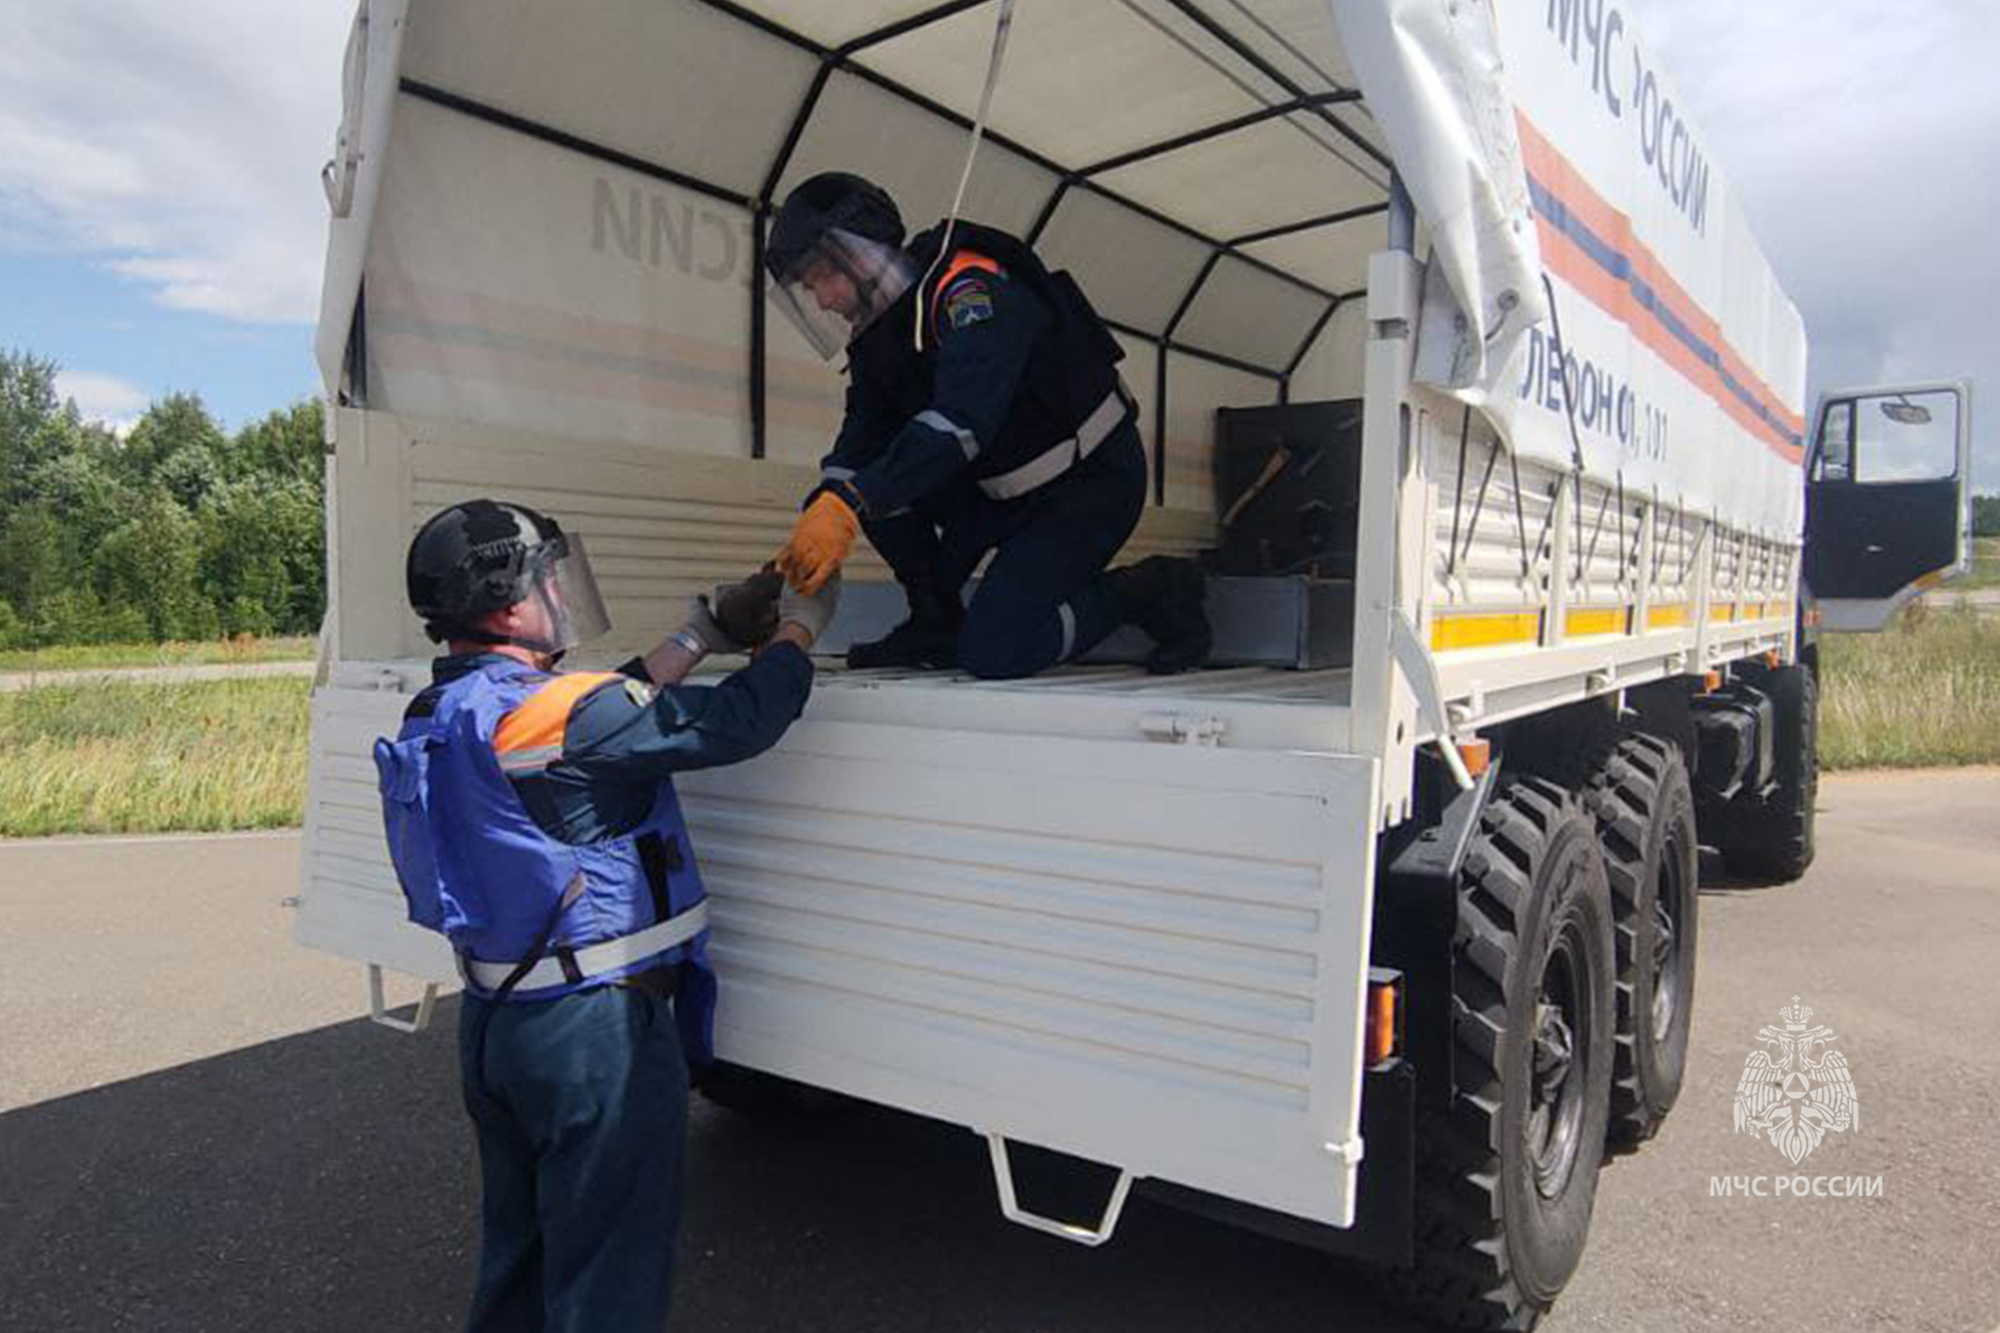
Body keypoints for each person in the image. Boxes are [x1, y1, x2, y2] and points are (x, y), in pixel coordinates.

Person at [373, 498, 835, 1332]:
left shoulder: (444, 712)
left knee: (523, 1258)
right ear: (511, 602)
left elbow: (603, 714)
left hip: (498, 1024)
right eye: (551, 578)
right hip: (592, 1034)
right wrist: (797, 632)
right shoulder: (563, 716)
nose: (563, 593)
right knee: (607, 1279)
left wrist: (699, 633)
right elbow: (737, 722)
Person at [765, 171, 1211, 678]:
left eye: (822, 275)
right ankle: (935, 619)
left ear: (863, 251)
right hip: (1000, 490)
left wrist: (851, 501)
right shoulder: (878, 333)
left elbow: (961, 422)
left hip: (1087, 483)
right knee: (862, 486)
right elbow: (864, 433)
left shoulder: (970, 291)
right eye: (809, 285)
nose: (821, 298)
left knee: (996, 652)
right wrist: (823, 505)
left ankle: (1147, 589)